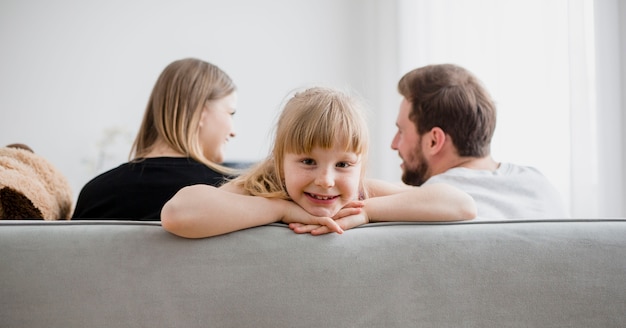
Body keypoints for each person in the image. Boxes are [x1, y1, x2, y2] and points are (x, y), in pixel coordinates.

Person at [161, 87, 476, 238]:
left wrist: (367, 212)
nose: (326, 179)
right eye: (308, 161)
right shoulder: (264, 187)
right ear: (280, 161)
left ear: (360, 167)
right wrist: (281, 209)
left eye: (343, 165)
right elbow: (178, 213)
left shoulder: (361, 197)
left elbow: (460, 204)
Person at [392, 63, 568, 220]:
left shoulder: (430, 205)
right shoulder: (541, 187)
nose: (393, 144)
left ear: (434, 141)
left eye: (401, 131)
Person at [72, 57, 239, 220]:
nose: (234, 132)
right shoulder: (233, 193)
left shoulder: (95, 194)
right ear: (200, 113)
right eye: (230, 113)